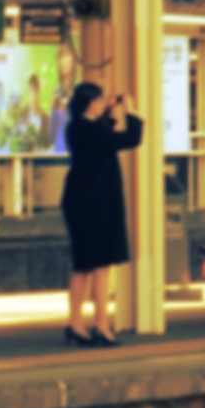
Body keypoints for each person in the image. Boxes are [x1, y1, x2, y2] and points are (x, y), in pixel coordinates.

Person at [60, 83, 144, 347]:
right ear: (91, 104)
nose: (101, 105)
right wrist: (130, 112)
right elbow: (130, 139)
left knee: (83, 264)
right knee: (102, 264)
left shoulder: (77, 127)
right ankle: (102, 325)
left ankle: (75, 323)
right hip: (97, 204)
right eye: (99, 101)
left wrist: (110, 108)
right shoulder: (91, 130)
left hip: (80, 203)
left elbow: (103, 132)